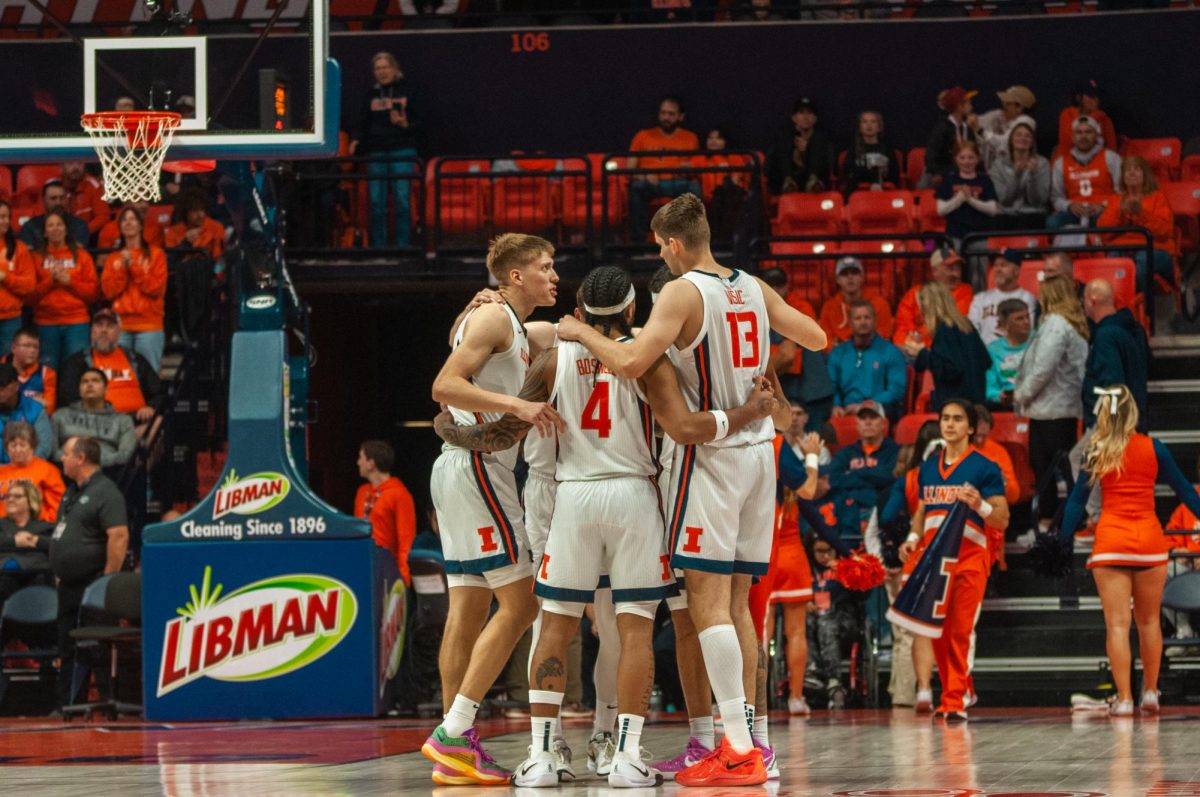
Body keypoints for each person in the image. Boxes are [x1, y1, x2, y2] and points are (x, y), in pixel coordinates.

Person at [441, 265, 781, 787]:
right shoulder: (649, 360)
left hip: (571, 499)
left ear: (578, 313)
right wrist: (749, 411)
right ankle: (623, 753)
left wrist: (449, 429)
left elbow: (505, 433)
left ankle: (542, 756)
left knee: (553, 623)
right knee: (633, 627)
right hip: (636, 497)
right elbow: (685, 428)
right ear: (631, 310)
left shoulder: (554, 360)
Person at [557, 195, 825, 785]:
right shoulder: (751, 285)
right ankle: (750, 738)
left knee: (705, 605)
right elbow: (816, 336)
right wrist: (758, 371)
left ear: (674, 244)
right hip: (760, 456)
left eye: (659, 245)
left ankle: (736, 748)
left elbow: (629, 363)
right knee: (735, 606)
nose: (659, 254)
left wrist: (576, 328)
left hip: (713, 455)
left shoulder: (681, 292)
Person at [421, 234, 560, 785]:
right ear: (516, 275)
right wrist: (517, 403)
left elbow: (568, 330)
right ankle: (454, 731)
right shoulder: (494, 319)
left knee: (468, 609)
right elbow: (443, 384)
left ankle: (457, 742)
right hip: (477, 467)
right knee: (523, 604)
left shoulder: (512, 323)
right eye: (545, 267)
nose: (554, 274)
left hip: (457, 466)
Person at [1057, 384, 1200, 715]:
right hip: (1149, 542)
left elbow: (1077, 500)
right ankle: (1150, 693)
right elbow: (1186, 493)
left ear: (1103, 413)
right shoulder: (1155, 448)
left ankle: (1124, 699)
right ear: (1133, 412)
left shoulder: (1097, 450)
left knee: (1118, 625)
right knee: (1149, 622)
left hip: (1112, 542)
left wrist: (1062, 541)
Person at [898, 400, 1010, 721]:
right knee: (939, 632)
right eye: (945, 418)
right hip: (935, 561)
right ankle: (959, 689)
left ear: (971, 428)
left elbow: (1002, 518)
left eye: (958, 419)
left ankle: (953, 698)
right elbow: (922, 512)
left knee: (961, 629)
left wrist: (980, 505)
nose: (949, 424)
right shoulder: (929, 467)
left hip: (971, 558)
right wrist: (911, 540)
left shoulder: (985, 467)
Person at [49, 435, 128, 708]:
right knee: (67, 647)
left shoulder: (106, 492)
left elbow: (118, 536)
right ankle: (68, 706)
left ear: (80, 458)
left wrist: (106, 581)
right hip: (68, 585)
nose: (62, 458)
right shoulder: (73, 491)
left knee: (98, 646)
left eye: (66, 454)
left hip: (93, 585)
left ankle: (109, 704)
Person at [1013, 275, 1089, 532]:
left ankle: (1052, 521)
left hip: (1052, 410)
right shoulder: (1068, 323)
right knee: (1060, 469)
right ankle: (1066, 519)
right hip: (1058, 408)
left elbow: (1043, 368)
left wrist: (1021, 394)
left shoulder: (1056, 324)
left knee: (1049, 469)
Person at [349, 52, 419, 249]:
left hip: (402, 150)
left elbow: (421, 121)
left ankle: (403, 247)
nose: (381, 72)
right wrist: (355, 139)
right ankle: (379, 248)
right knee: (376, 203)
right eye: (378, 68)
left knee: (402, 201)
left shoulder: (408, 91)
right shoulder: (370, 94)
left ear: (394, 69)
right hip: (376, 152)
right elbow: (361, 121)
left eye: (385, 67)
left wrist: (405, 124)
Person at [57, 308, 161, 431]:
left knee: (158, 422)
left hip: (135, 423)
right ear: (92, 331)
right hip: (97, 425)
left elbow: (158, 392)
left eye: (110, 326)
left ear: (119, 332)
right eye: (99, 325)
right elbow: (68, 397)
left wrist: (151, 407)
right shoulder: (77, 362)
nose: (104, 330)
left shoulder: (135, 359)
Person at [100, 207, 169, 371]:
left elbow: (156, 289)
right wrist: (123, 271)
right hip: (121, 326)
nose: (128, 223)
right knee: (121, 375)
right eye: (124, 220)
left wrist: (134, 268)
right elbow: (109, 292)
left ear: (140, 225)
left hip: (149, 326)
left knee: (149, 377)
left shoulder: (156, 255)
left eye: (133, 219)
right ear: (120, 227)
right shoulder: (113, 258)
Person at [1095, 155, 1177, 292]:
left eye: (1137, 169)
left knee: (1141, 262)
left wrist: (1141, 214)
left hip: (1154, 250)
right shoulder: (1115, 200)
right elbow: (1104, 234)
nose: (1132, 173)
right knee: (1111, 263)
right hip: (1121, 250)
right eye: (1128, 170)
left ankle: (1142, 310)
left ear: (1145, 174)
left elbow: (1165, 232)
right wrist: (1120, 212)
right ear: (1123, 176)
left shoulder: (1158, 197)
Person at [904, 282, 992, 409]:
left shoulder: (946, 329)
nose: (920, 312)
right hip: (976, 404)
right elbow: (986, 361)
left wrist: (921, 353)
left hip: (957, 407)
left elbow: (951, 369)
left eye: (921, 306)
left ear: (928, 306)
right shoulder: (966, 325)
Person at [29, 210, 97, 371]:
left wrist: (70, 282)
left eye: (59, 224)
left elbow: (93, 294)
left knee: (74, 372)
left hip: (77, 322)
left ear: (66, 229)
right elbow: (29, 296)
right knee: (48, 372)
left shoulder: (82, 256)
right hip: (45, 323)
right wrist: (50, 281)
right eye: (50, 225)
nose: (55, 228)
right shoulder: (35, 258)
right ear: (45, 232)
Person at [627, 96, 701, 242]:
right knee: (636, 188)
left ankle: (691, 243)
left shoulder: (690, 138)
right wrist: (644, 176)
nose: (666, 117)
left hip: (677, 182)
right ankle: (638, 244)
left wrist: (688, 168)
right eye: (663, 113)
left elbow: (695, 167)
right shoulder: (642, 136)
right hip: (649, 182)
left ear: (680, 116)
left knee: (694, 189)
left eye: (671, 114)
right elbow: (629, 169)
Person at [1081, 279, 1149, 431]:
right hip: (1134, 420)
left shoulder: (1105, 336)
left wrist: (1109, 427)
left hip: (1113, 429)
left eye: (1084, 299)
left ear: (1092, 301)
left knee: (1073, 455)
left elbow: (1113, 384)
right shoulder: (1135, 330)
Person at [828, 400, 900, 540]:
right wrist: (874, 476)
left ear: (883, 423)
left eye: (873, 417)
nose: (868, 422)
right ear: (857, 424)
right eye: (863, 418)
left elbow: (892, 477)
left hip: (879, 510)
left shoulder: (895, 452)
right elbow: (834, 480)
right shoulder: (845, 453)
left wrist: (855, 473)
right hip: (848, 511)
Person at [827, 302, 907, 423]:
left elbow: (896, 391)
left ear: (875, 321)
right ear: (850, 323)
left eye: (867, 317)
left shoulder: (891, 352)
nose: (863, 322)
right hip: (845, 409)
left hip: (879, 408)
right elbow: (831, 385)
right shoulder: (838, 353)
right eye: (858, 318)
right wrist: (836, 405)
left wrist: (866, 405)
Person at [354, 439, 417, 586]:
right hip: (362, 568)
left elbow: (406, 541)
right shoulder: (362, 492)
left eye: (361, 457)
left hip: (388, 571)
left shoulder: (400, 494)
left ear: (371, 463)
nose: (358, 462)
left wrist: (404, 580)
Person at [806, 535, 857, 708]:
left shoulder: (843, 567)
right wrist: (805, 602)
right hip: (813, 619)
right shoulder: (806, 569)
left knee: (826, 621)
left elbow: (863, 595)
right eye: (820, 551)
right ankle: (811, 671)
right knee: (805, 620)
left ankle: (834, 678)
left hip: (842, 621)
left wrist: (845, 574)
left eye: (829, 550)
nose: (825, 555)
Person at [51, 369, 136, 469]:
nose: (89, 384)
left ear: (106, 389)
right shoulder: (60, 415)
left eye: (95, 381)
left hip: (108, 472)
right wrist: (74, 461)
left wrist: (91, 463)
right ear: (79, 389)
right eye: (85, 381)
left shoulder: (123, 420)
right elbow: (53, 451)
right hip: (67, 471)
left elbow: (125, 455)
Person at [1048, 116, 1121, 231]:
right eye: (1079, 132)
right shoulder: (1060, 163)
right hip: (1075, 212)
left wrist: (1103, 206)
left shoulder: (1111, 158)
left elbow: (1121, 191)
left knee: (1113, 221)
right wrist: (1069, 206)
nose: (1083, 136)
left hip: (1103, 210)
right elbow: (1056, 197)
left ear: (1096, 136)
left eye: (1088, 132)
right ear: (1072, 137)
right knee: (1053, 222)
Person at [892, 247, 974, 348]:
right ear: (934, 270)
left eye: (958, 268)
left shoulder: (965, 291)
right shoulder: (913, 294)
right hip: (915, 354)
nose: (956, 274)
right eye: (950, 268)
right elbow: (902, 331)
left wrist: (921, 339)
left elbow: (953, 328)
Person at [0, 479, 54, 608]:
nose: (10, 499)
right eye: (8, 496)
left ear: (31, 502)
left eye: (17, 496)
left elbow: (60, 545)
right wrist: (14, 541)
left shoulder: (45, 527)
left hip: (36, 581)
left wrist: (36, 540)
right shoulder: (1, 524)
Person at [935, 140, 999, 249]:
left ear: (977, 159)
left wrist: (970, 200)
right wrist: (959, 199)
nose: (966, 162)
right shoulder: (948, 181)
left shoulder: (985, 181)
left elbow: (993, 210)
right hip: (954, 235)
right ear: (956, 159)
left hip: (979, 235)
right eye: (962, 157)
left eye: (970, 157)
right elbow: (941, 210)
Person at [988, 119, 1050, 229]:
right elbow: (1005, 200)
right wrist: (1016, 175)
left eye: (1027, 136)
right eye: (1018, 135)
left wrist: (1033, 175)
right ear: (1011, 139)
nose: (1023, 138)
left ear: (1032, 142)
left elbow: (1038, 200)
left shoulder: (1042, 163)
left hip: (1033, 214)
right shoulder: (998, 165)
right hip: (1006, 214)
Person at [818, 257, 894, 347]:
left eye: (854, 272)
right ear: (838, 279)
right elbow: (823, 339)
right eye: (845, 274)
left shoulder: (880, 304)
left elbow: (884, 335)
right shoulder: (829, 307)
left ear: (862, 277)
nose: (850, 277)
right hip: (838, 356)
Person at [766, 97, 834, 195]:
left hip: (815, 185)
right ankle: (788, 181)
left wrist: (806, 152)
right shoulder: (783, 138)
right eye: (801, 113)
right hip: (788, 183)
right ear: (794, 118)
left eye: (809, 113)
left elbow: (829, 167)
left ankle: (813, 181)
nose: (805, 117)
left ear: (815, 119)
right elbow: (769, 167)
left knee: (818, 140)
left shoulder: (822, 140)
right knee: (784, 140)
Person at [969, 250, 1036, 346]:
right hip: (986, 355)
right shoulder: (980, 299)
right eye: (996, 265)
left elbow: (1029, 332)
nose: (998, 269)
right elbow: (972, 331)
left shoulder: (1029, 299)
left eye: (1003, 265)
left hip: (1017, 355)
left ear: (1016, 271)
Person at [0, 421, 63, 521]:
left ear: (32, 446)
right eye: (13, 445)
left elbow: (57, 508)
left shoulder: (48, 471)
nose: (18, 450)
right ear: (6, 448)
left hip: (37, 527)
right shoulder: (1, 472)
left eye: (22, 445)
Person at [0, 200, 36, 354]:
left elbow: (29, 285)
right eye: (1, 217)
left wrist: (5, 278)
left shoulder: (19, 248)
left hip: (10, 318)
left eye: (8, 217)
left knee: (8, 369)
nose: (6, 221)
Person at [922, 87, 977, 187]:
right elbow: (931, 157)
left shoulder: (968, 129)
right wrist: (941, 173)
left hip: (966, 175)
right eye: (968, 103)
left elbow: (975, 153)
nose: (971, 106)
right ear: (959, 107)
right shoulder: (942, 129)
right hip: (945, 177)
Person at [984, 299, 1033, 407]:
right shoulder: (993, 350)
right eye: (1019, 319)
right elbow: (990, 388)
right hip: (1006, 407)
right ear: (1005, 325)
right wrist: (998, 396)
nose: (1026, 322)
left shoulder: (1041, 341)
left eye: (1027, 317)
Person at [840, 110, 900, 197]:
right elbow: (848, 173)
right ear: (860, 127)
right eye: (865, 122)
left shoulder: (887, 149)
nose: (869, 125)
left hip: (883, 192)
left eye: (873, 122)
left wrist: (884, 172)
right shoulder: (853, 150)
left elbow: (895, 175)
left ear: (879, 127)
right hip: (858, 193)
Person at [1057, 79, 1118, 163]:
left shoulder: (1104, 118)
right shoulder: (1068, 114)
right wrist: (1093, 118)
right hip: (1072, 164)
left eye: (1097, 96)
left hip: (1099, 165)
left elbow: (1112, 149)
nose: (1096, 100)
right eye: (1091, 96)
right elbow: (1067, 144)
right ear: (1078, 98)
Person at [975, 85, 1036, 169]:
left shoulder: (1026, 121)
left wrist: (980, 131)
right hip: (997, 172)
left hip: (1015, 172)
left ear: (1019, 108)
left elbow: (1004, 144)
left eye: (1008, 103)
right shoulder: (1003, 116)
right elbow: (978, 120)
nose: (1004, 105)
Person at [0, 364, 52, 463]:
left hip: (26, 470)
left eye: (2, 388)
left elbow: (44, 447)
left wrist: (20, 467)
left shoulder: (35, 409)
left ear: (16, 386)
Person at [972, 404, 1021, 506]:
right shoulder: (956, 450)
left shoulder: (999, 452)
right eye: (976, 435)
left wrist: (1003, 481)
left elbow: (1014, 496)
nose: (979, 440)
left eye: (984, 436)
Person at [18, 181, 89, 249]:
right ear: (44, 200)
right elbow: (27, 255)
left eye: (62, 198)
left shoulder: (79, 225)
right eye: (53, 198)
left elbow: (78, 253)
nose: (58, 203)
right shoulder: (30, 226)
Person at [3, 328, 56, 414]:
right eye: (27, 346)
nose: (32, 351)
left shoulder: (47, 373)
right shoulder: (1, 368)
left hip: (33, 423)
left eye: (36, 347)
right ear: (13, 348)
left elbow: (48, 410)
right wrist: (33, 403)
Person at [165, 190, 226, 265]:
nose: (200, 215)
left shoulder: (216, 227)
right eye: (194, 211)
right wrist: (186, 243)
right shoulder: (173, 231)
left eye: (202, 209)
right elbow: (170, 262)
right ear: (185, 212)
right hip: (182, 273)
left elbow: (218, 258)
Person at [59, 161, 108, 238]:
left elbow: (103, 216)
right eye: (70, 163)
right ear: (61, 167)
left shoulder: (93, 185)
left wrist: (82, 231)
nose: (76, 168)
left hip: (88, 236)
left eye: (79, 163)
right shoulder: (53, 186)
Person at [97, 201, 165, 249]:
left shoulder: (155, 228)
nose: (144, 205)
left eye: (146, 201)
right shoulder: (109, 229)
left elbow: (156, 259)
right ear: (127, 203)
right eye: (138, 200)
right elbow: (102, 260)